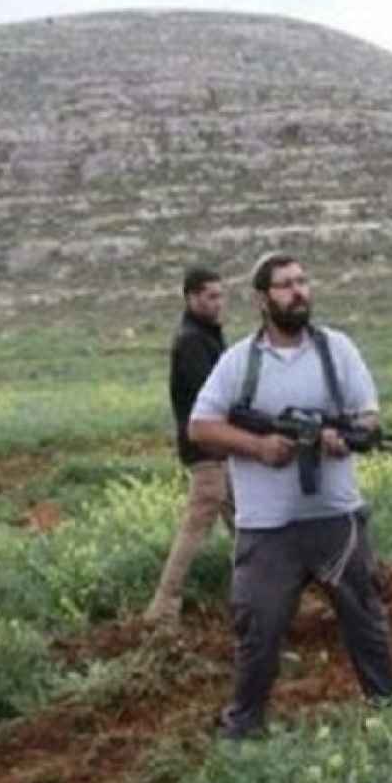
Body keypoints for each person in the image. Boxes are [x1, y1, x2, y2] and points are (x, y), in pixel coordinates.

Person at [188, 251, 392, 738]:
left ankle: (390, 716)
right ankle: (243, 732)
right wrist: (259, 447)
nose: (298, 291)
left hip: (336, 519)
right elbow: (201, 427)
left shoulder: (337, 350)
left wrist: (343, 437)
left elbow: (368, 417)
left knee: (366, 623)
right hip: (267, 529)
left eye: (302, 281)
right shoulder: (239, 362)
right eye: (285, 285)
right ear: (262, 299)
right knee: (258, 632)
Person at [144, 266, 235, 624]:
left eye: (220, 296)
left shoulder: (204, 336)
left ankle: (259, 592)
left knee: (247, 525)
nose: (218, 303)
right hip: (207, 449)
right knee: (197, 527)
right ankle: (164, 605)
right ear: (191, 298)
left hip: (219, 447)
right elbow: (210, 398)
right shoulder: (192, 341)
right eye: (211, 296)